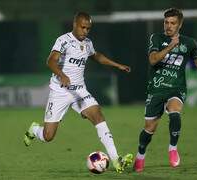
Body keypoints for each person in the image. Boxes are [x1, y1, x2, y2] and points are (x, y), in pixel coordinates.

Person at [23, 12, 133, 173]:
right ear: (75, 24)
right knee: (48, 136)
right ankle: (34, 130)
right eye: (83, 27)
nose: (85, 31)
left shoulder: (88, 43)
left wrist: (117, 65)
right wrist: (62, 75)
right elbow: (50, 61)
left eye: (88, 28)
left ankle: (116, 160)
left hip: (79, 91)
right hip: (60, 91)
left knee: (98, 115)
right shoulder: (63, 41)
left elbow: (97, 56)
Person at [133, 8, 197, 172]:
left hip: (177, 88)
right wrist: (171, 46)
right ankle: (140, 156)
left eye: (172, 23)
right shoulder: (156, 38)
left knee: (175, 111)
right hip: (156, 89)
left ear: (180, 24)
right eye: (166, 22)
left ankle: (172, 148)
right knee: (150, 128)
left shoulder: (189, 43)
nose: (168, 26)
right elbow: (153, 60)